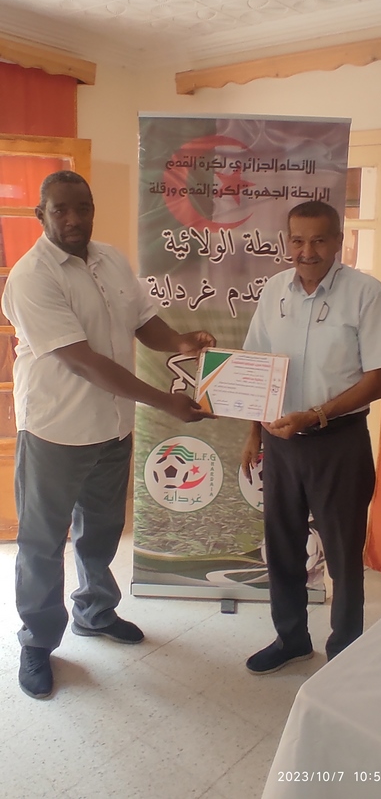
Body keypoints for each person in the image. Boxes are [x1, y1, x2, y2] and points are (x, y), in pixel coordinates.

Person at [1, 170, 216, 700]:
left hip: (114, 427)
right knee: (42, 542)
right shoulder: (31, 277)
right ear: (42, 215)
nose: (74, 219)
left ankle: (95, 613)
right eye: (61, 210)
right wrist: (166, 401)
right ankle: (37, 641)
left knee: (100, 531)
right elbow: (83, 361)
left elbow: (143, 322)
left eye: (83, 207)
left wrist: (181, 341)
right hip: (56, 430)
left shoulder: (111, 259)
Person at [241, 200, 381, 674]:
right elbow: (257, 367)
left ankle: (344, 654)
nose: (306, 251)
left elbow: (379, 380)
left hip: (339, 443)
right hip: (281, 443)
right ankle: (291, 638)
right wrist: (253, 435)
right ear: (287, 242)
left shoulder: (365, 293)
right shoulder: (274, 290)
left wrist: (315, 416)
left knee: (342, 554)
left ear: (338, 241)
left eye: (318, 240)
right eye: (297, 240)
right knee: (283, 547)